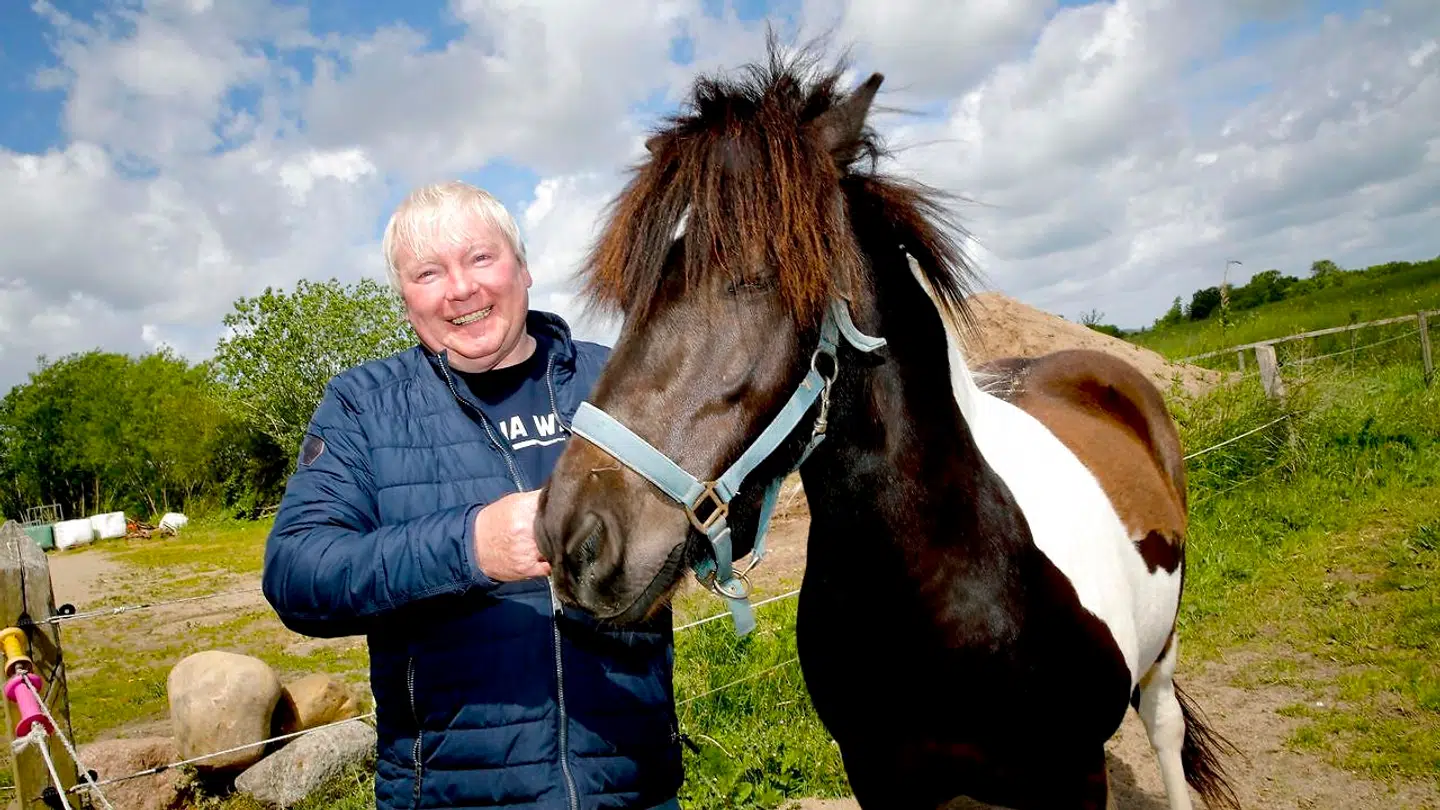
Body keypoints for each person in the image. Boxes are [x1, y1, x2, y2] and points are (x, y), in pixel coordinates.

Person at [261, 181, 683, 810]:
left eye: (482, 258)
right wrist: (471, 547)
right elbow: (297, 571)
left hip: (632, 788)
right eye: (429, 272)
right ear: (407, 300)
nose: (461, 289)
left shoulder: (621, 382)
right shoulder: (363, 408)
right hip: (456, 793)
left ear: (524, 266)